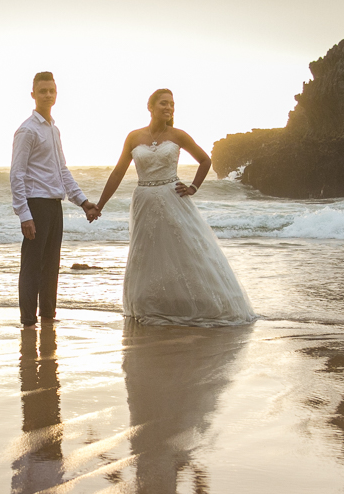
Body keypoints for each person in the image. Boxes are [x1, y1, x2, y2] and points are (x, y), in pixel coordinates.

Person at [94, 89, 255, 326]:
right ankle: (152, 305)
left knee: (186, 252)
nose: (168, 108)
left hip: (173, 199)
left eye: (172, 104)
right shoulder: (133, 137)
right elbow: (118, 172)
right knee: (148, 255)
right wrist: (99, 205)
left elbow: (205, 160)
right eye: (163, 103)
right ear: (150, 107)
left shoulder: (178, 135)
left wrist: (193, 188)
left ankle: (199, 304)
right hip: (144, 201)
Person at [11, 72, 100, 330]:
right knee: (32, 266)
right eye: (42, 91)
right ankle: (28, 321)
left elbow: (62, 171)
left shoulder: (54, 129)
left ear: (56, 94)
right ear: (33, 95)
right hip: (35, 204)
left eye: (51, 90)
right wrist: (24, 214)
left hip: (54, 205)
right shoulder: (27, 130)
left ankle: (48, 317)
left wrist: (83, 202)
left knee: (51, 264)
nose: (48, 95)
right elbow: (16, 174)